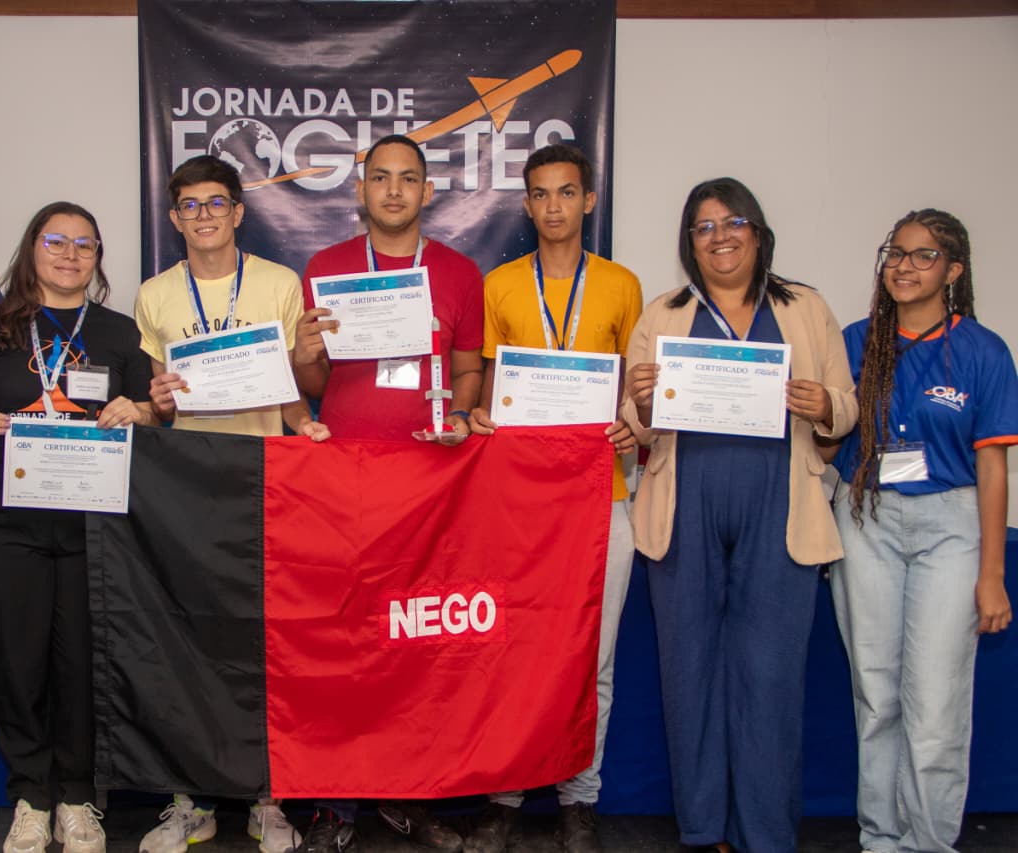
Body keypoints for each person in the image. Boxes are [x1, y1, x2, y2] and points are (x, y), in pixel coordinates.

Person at [622, 178, 856, 853]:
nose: (720, 236)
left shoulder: (805, 307)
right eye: (704, 226)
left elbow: (846, 406)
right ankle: (703, 828)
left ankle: (766, 831)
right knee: (688, 673)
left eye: (734, 223)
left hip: (781, 508)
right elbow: (635, 423)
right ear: (689, 242)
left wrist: (824, 406)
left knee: (771, 676)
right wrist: (641, 400)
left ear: (758, 233)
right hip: (683, 508)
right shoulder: (664, 313)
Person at [292, 134, 484, 853]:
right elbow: (315, 386)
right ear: (361, 189)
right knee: (344, 641)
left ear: (428, 191)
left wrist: (461, 414)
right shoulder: (327, 268)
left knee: (421, 644)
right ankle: (335, 803)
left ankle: (412, 795)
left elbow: (468, 370)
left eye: (408, 178)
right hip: (345, 478)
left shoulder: (460, 272)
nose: (394, 190)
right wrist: (305, 356)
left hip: (431, 482)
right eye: (381, 178)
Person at [134, 155, 328, 853]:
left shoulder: (279, 283)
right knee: (189, 639)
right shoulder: (155, 294)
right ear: (174, 217)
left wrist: (304, 423)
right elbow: (159, 402)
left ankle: (267, 800)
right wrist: (158, 400)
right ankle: (191, 800)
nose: (204, 215)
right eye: (190, 205)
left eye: (217, 202)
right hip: (186, 483)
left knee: (263, 642)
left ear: (239, 212)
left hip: (262, 479)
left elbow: (293, 387)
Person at [0, 202, 152, 853]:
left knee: (82, 665)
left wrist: (140, 410)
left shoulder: (118, 331)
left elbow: (153, 411)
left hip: (95, 524)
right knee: (16, 661)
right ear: (32, 248)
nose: (70, 254)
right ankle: (31, 797)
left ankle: (76, 797)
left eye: (84, 244)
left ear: (98, 257)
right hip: (8, 523)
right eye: (56, 241)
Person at [464, 143, 640, 853]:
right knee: (512, 650)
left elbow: (633, 384)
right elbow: (487, 384)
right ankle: (504, 798)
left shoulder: (622, 285)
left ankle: (579, 800)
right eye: (540, 193)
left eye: (567, 192)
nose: (554, 206)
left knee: (593, 658)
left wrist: (633, 423)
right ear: (526, 204)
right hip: (521, 497)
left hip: (602, 493)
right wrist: (480, 417)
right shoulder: (501, 285)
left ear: (588, 201)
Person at [822, 209, 1015, 853]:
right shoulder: (855, 341)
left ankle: (929, 842)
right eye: (896, 254)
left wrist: (992, 575)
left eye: (923, 256)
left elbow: (992, 469)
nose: (904, 267)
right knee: (877, 695)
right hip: (866, 518)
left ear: (953, 271)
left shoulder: (983, 350)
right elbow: (827, 445)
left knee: (935, 704)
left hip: (950, 527)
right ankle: (881, 838)